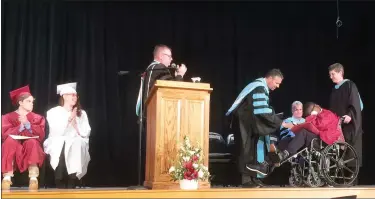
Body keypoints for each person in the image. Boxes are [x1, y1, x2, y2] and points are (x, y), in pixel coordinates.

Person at [226, 69, 294, 187]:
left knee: (253, 149)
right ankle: (246, 181)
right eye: (276, 83)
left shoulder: (260, 87)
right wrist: (282, 123)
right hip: (243, 122)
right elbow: (262, 111)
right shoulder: (258, 87)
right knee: (246, 149)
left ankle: (253, 178)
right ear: (270, 78)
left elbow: (261, 110)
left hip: (249, 122)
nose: (277, 86)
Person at [248, 102, 345, 176]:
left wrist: (313, 115)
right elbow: (311, 124)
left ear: (317, 106)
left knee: (303, 132)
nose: (310, 115)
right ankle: (266, 163)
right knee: (288, 139)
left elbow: (320, 126)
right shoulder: (314, 116)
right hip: (313, 139)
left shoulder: (328, 114)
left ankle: (284, 154)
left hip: (324, 141)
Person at [43, 82, 91, 189]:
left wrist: (75, 126)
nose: (75, 97)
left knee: (76, 143)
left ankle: (72, 179)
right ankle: (59, 179)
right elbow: (56, 131)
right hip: (57, 140)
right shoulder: (53, 112)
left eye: (76, 95)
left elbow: (86, 132)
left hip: (77, 141)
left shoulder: (81, 113)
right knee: (63, 143)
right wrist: (69, 119)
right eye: (72, 95)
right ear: (64, 96)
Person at [1, 85, 46, 190]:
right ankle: (7, 177)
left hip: (29, 142)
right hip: (13, 143)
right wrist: (20, 127)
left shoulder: (37, 117)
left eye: (32, 102)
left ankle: (33, 178)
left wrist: (28, 124)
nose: (31, 104)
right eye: (28, 101)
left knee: (32, 143)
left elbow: (41, 134)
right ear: (20, 102)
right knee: (9, 142)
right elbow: (4, 133)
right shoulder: (7, 117)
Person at [328, 63, 363, 184]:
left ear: (340, 73)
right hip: (338, 126)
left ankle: (351, 183)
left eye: (333, 74)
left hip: (349, 126)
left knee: (350, 155)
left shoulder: (349, 85)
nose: (331, 76)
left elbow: (357, 104)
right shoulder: (334, 90)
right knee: (338, 155)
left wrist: (350, 114)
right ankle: (339, 182)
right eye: (330, 74)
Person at [136, 44, 187, 116]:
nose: (171, 59)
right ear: (161, 56)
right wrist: (180, 75)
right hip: (155, 115)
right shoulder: (159, 68)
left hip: (148, 115)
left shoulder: (152, 68)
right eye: (169, 56)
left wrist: (176, 77)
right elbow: (173, 91)